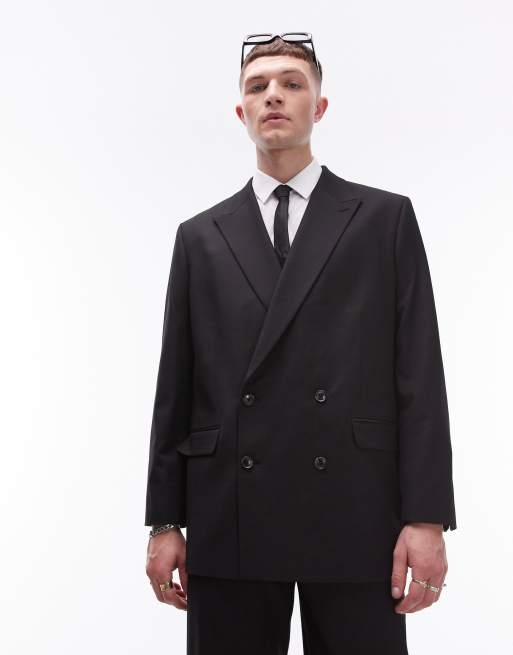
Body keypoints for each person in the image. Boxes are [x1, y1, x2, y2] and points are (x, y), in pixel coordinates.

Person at [144, 33, 457, 654]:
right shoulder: (199, 236)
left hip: (356, 505)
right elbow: (175, 386)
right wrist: (164, 520)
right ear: (241, 111)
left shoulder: (383, 218)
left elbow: (420, 375)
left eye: (292, 83)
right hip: (229, 508)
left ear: (320, 106)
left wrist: (426, 517)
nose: (274, 96)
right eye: (257, 86)